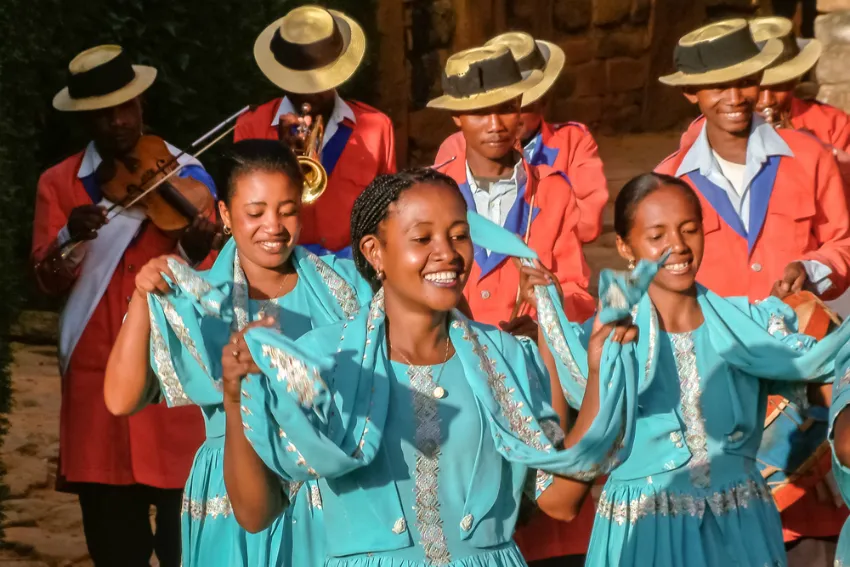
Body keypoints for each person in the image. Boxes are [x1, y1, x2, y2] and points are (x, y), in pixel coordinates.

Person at [217, 168, 641, 567]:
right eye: (422, 238)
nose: (447, 254)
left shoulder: (507, 357)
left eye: (459, 236)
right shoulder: (323, 360)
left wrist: (603, 378)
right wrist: (236, 399)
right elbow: (257, 514)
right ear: (374, 252)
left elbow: (560, 501)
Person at [533, 171, 850, 566]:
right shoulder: (595, 343)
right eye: (657, 236)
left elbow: (828, 377)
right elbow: (560, 493)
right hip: (643, 540)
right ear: (624, 246)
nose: (678, 247)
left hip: (744, 536)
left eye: (689, 230)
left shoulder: (749, 324)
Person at [103, 139, 372, 567]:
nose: (274, 226)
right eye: (255, 212)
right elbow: (120, 399)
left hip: (331, 491)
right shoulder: (197, 297)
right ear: (226, 214)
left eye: (288, 210)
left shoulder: (347, 287)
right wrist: (141, 295)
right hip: (230, 489)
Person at [31, 45, 218, 567]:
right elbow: (46, 279)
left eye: (126, 108)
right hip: (98, 390)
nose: (118, 122)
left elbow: (216, 271)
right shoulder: (60, 182)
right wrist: (71, 234)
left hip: (174, 380)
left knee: (192, 545)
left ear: (141, 105)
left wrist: (200, 248)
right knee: (115, 547)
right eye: (104, 113)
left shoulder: (186, 172)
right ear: (85, 117)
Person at [655, 19, 850, 305]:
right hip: (714, 341)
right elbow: (660, 272)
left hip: (801, 341)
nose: (735, 98)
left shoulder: (810, 158)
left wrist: (810, 271)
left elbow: (842, 244)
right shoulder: (669, 180)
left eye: (746, 83)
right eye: (718, 87)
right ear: (690, 91)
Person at [429, 44, 595, 336]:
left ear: (520, 104)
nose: (495, 125)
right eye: (479, 112)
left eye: (506, 108)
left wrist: (548, 317)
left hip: (530, 361)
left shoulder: (553, 191)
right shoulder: (429, 193)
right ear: (456, 115)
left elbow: (577, 293)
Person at [234, 5, 396, 257]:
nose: (308, 94)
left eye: (318, 81)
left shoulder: (377, 126)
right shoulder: (251, 125)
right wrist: (281, 157)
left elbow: (389, 212)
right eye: (297, 82)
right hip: (281, 267)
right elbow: (245, 212)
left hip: (354, 269)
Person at [433, 32, 608, 244]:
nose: (496, 124)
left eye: (512, 107)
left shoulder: (573, 140)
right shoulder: (455, 147)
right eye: (482, 111)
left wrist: (540, 227)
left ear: (543, 104)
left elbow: (587, 224)